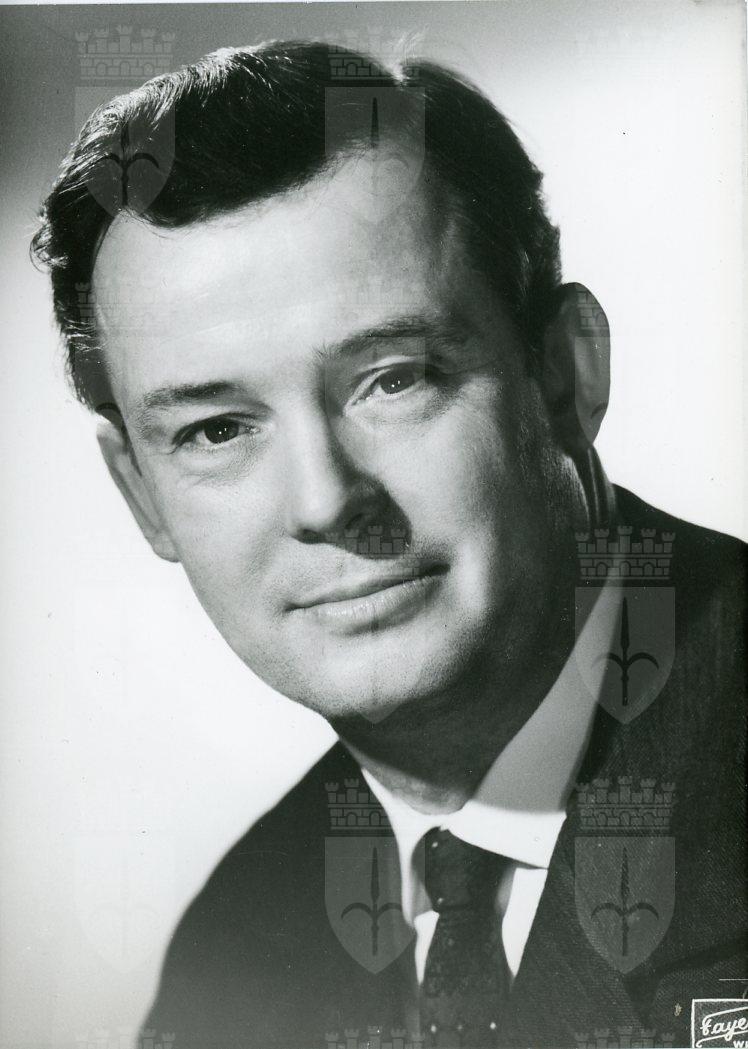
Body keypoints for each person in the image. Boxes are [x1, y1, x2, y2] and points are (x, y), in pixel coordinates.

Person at [32, 42, 745, 1049]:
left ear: (564, 375)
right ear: (142, 494)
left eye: (393, 378)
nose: (326, 499)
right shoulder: (232, 953)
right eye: (217, 429)